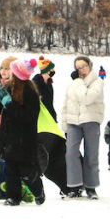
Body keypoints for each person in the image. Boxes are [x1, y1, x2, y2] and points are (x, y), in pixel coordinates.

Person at [0, 57, 45, 205]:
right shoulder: (8, 87)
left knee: (25, 170)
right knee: (10, 169)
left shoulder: (30, 92)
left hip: (24, 139)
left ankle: (38, 190)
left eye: (13, 72)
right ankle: (13, 197)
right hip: (8, 136)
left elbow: (26, 116)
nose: (10, 75)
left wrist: (8, 104)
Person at [62, 55, 104, 199]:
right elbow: (66, 104)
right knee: (71, 153)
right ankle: (75, 185)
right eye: (78, 68)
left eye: (83, 66)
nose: (81, 70)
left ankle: (91, 187)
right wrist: (65, 124)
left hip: (91, 120)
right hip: (73, 121)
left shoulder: (97, 82)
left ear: (89, 66)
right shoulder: (73, 84)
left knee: (91, 154)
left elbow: (86, 98)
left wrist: (78, 82)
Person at [34, 57, 69, 194]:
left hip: (50, 123)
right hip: (41, 127)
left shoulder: (48, 84)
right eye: (52, 69)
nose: (54, 71)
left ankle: (65, 186)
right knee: (48, 160)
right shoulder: (36, 83)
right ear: (47, 70)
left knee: (57, 156)